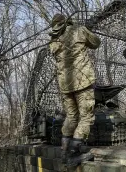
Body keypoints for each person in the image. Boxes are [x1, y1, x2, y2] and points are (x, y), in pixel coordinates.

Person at [49, 13, 101, 166]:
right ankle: (74, 155)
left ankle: (64, 153)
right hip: (82, 82)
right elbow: (96, 43)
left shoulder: (53, 40)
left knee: (71, 117)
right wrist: (86, 29)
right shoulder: (79, 30)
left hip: (65, 85)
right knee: (86, 117)